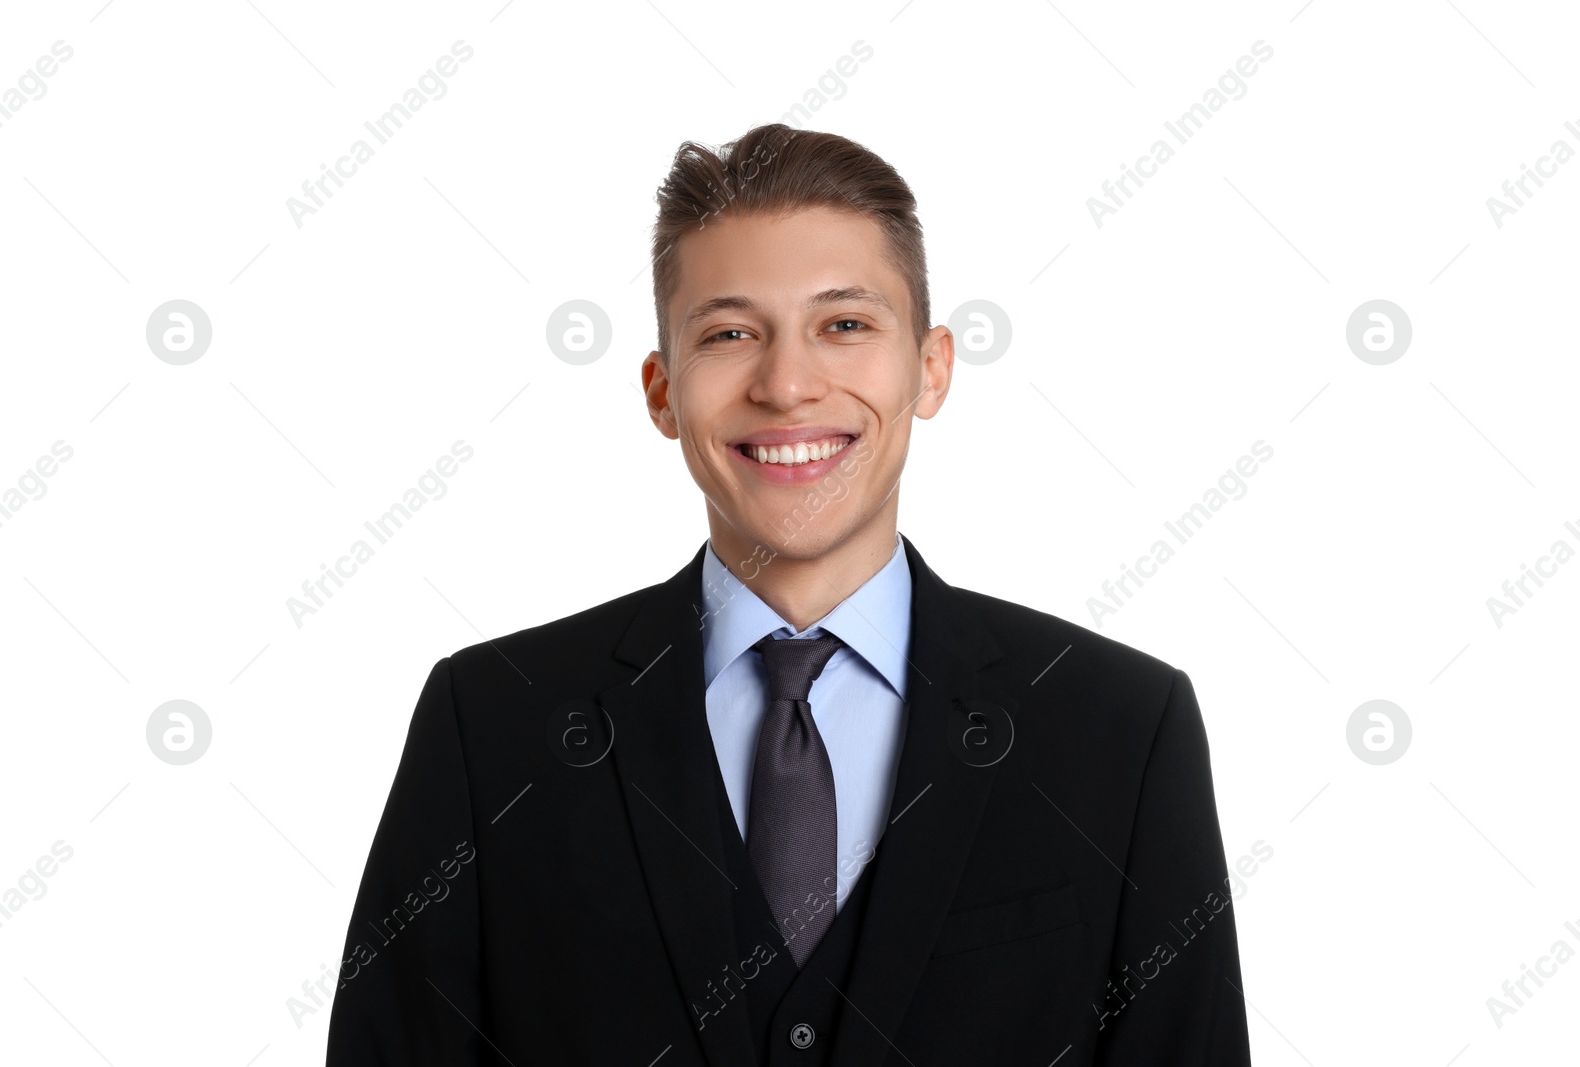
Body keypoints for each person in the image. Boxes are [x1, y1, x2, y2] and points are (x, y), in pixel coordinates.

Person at [325, 123, 1252, 1066]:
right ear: (661, 390)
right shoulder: (490, 728)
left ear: (931, 368)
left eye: (844, 324)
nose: (788, 383)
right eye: (730, 334)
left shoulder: (1122, 730)